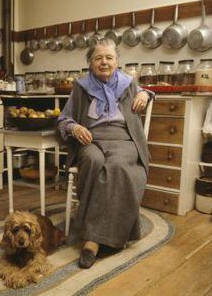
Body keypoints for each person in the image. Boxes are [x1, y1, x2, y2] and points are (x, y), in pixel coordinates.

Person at [57, 38, 153, 269]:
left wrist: (146, 94)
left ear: (117, 61)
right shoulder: (81, 87)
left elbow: (145, 91)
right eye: (98, 58)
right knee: (92, 159)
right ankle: (103, 232)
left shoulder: (128, 84)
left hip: (124, 139)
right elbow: (64, 118)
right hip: (92, 138)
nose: (104, 62)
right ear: (90, 62)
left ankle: (92, 241)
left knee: (116, 167)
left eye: (109, 57)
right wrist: (75, 127)